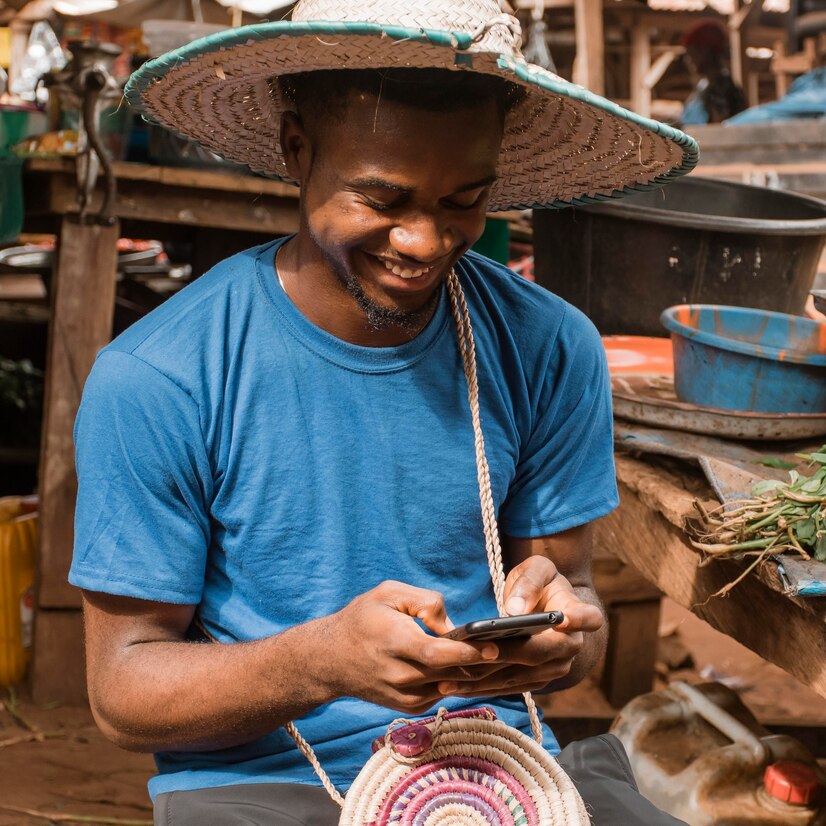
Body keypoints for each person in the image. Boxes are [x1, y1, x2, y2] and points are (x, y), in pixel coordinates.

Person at [69, 1, 697, 823]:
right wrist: (319, 665)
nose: (424, 242)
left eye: (463, 200)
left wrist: (566, 637)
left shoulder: (548, 347)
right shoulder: (160, 376)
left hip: (495, 766)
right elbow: (121, 692)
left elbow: (575, 605)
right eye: (382, 199)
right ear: (298, 150)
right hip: (264, 783)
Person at [680, 20, 747, 125]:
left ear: (706, 51)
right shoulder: (705, 86)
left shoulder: (722, 87)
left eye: (692, 52)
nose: (689, 60)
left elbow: (718, 130)